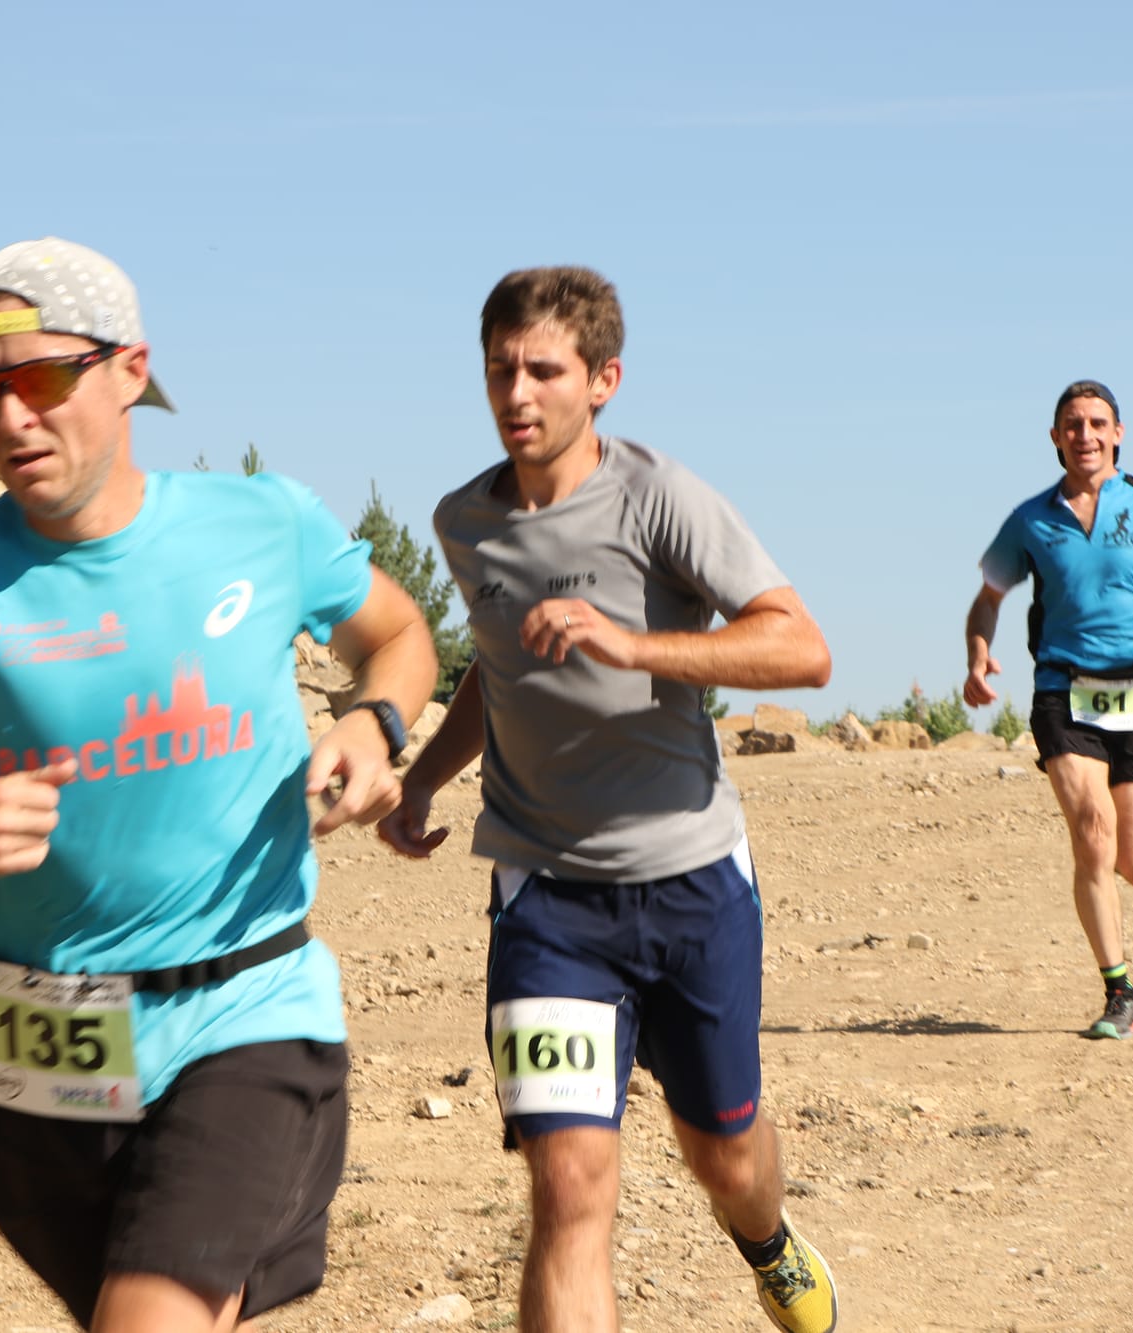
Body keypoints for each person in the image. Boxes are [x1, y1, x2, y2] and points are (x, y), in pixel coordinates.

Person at [0, 236, 437, 1333]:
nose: (8, 417)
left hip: (244, 1013)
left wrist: (372, 726)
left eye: (41, 379)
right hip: (39, 1054)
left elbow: (398, 634)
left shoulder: (259, 523)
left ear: (130, 369)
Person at [380, 266, 839, 1333]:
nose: (517, 393)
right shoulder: (464, 522)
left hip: (690, 882)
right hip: (546, 900)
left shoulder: (659, 497)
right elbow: (498, 671)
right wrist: (423, 777)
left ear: (603, 380)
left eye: (544, 369)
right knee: (568, 1185)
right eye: (500, 369)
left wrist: (631, 642)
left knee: (724, 1156)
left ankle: (764, 1241)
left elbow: (802, 646)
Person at [963, 379, 1133, 1040]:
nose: (1085, 435)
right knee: (1091, 827)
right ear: (1055, 438)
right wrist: (977, 653)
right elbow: (989, 597)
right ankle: (1120, 991)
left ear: (1118, 433)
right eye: (1072, 424)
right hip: (1064, 689)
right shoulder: (1030, 519)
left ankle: (1104, 887)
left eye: (1097, 423)